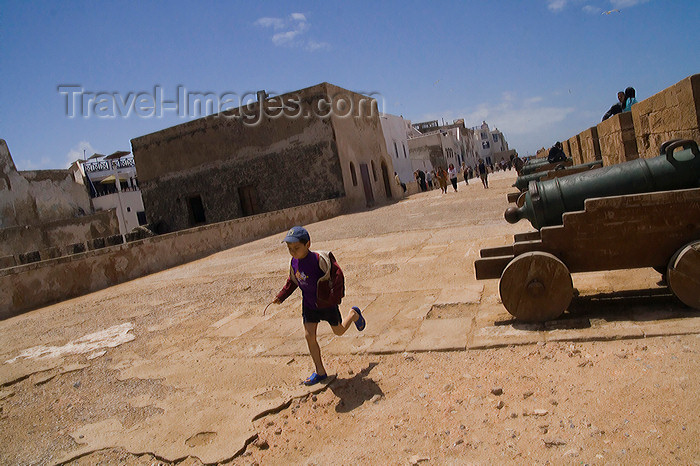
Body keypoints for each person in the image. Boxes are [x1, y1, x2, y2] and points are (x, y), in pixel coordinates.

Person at [272, 226, 365, 386]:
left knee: (339, 331)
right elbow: (293, 281)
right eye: (289, 249)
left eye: (296, 248)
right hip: (309, 305)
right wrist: (281, 296)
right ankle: (320, 372)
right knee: (309, 336)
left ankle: (353, 314)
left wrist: (335, 298)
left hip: (326, 304)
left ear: (308, 244)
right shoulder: (294, 262)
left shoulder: (318, 260)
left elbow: (337, 276)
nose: (293, 252)